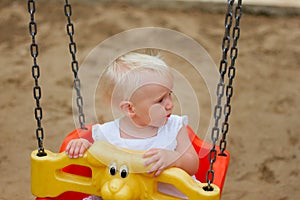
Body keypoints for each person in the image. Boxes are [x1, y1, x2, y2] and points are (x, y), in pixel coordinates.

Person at [65, 52, 199, 199]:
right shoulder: (107, 133)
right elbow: (96, 157)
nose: (170, 104)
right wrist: (83, 146)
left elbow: (193, 164)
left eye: (169, 94)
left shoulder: (174, 127)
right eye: (160, 100)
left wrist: (174, 158)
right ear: (130, 108)